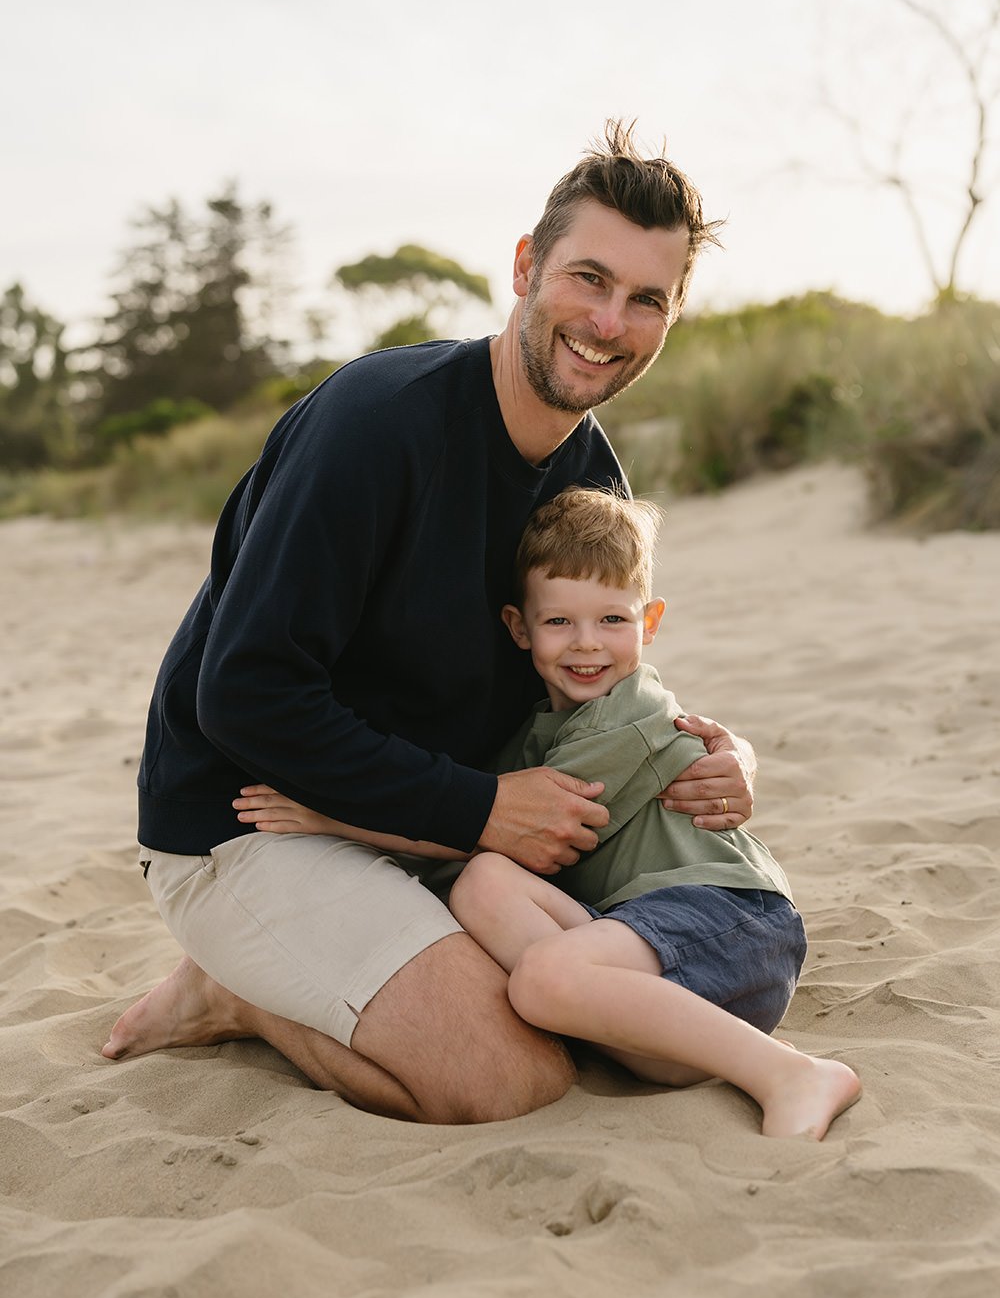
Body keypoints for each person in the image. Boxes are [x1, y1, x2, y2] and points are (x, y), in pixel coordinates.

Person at [102, 121, 757, 1124]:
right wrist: (479, 811)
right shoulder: (377, 424)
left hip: (417, 828)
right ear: (526, 266)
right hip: (244, 819)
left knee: (608, 1021)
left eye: (645, 301)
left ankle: (310, 971)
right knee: (509, 1078)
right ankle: (236, 990)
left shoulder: (590, 481)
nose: (607, 320)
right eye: (586, 278)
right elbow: (239, 694)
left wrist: (726, 755)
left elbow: (586, 674)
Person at [241, 488, 861, 1139]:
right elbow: (478, 842)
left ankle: (793, 1074)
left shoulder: (627, 721)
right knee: (484, 884)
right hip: (644, 950)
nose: (586, 645)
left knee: (541, 977)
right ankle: (655, 1040)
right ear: (518, 627)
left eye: (612, 621)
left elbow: (482, 834)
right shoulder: (537, 737)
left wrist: (331, 819)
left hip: (728, 922)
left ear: (649, 623)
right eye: (559, 622)